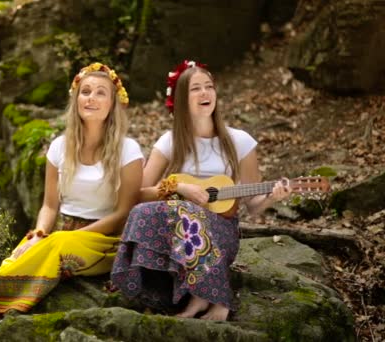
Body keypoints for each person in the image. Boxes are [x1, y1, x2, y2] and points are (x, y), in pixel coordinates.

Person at [0, 62, 144, 341]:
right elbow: (49, 206)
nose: (91, 98)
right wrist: (38, 235)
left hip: (105, 240)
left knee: (57, 246)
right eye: (85, 92)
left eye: (100, 93)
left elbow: (124, 213)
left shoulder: (128, 150)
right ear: (76, 99)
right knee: (12, 263)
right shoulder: (59, 146)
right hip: (59, 233)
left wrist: (68, 238)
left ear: (113, 103)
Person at [110, 60, 292, 321]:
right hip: (178, 229)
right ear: (182, 99)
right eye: (196, 89)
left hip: (221, 231)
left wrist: (272, 197)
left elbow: (252, 205)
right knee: (144, 212)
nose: (205, 93)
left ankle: (216, 302)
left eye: (209, 86)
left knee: (186, 213)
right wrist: (179, 186)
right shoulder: (170, 141)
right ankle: (180, 293)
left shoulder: (240, 142)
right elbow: (139, 192)